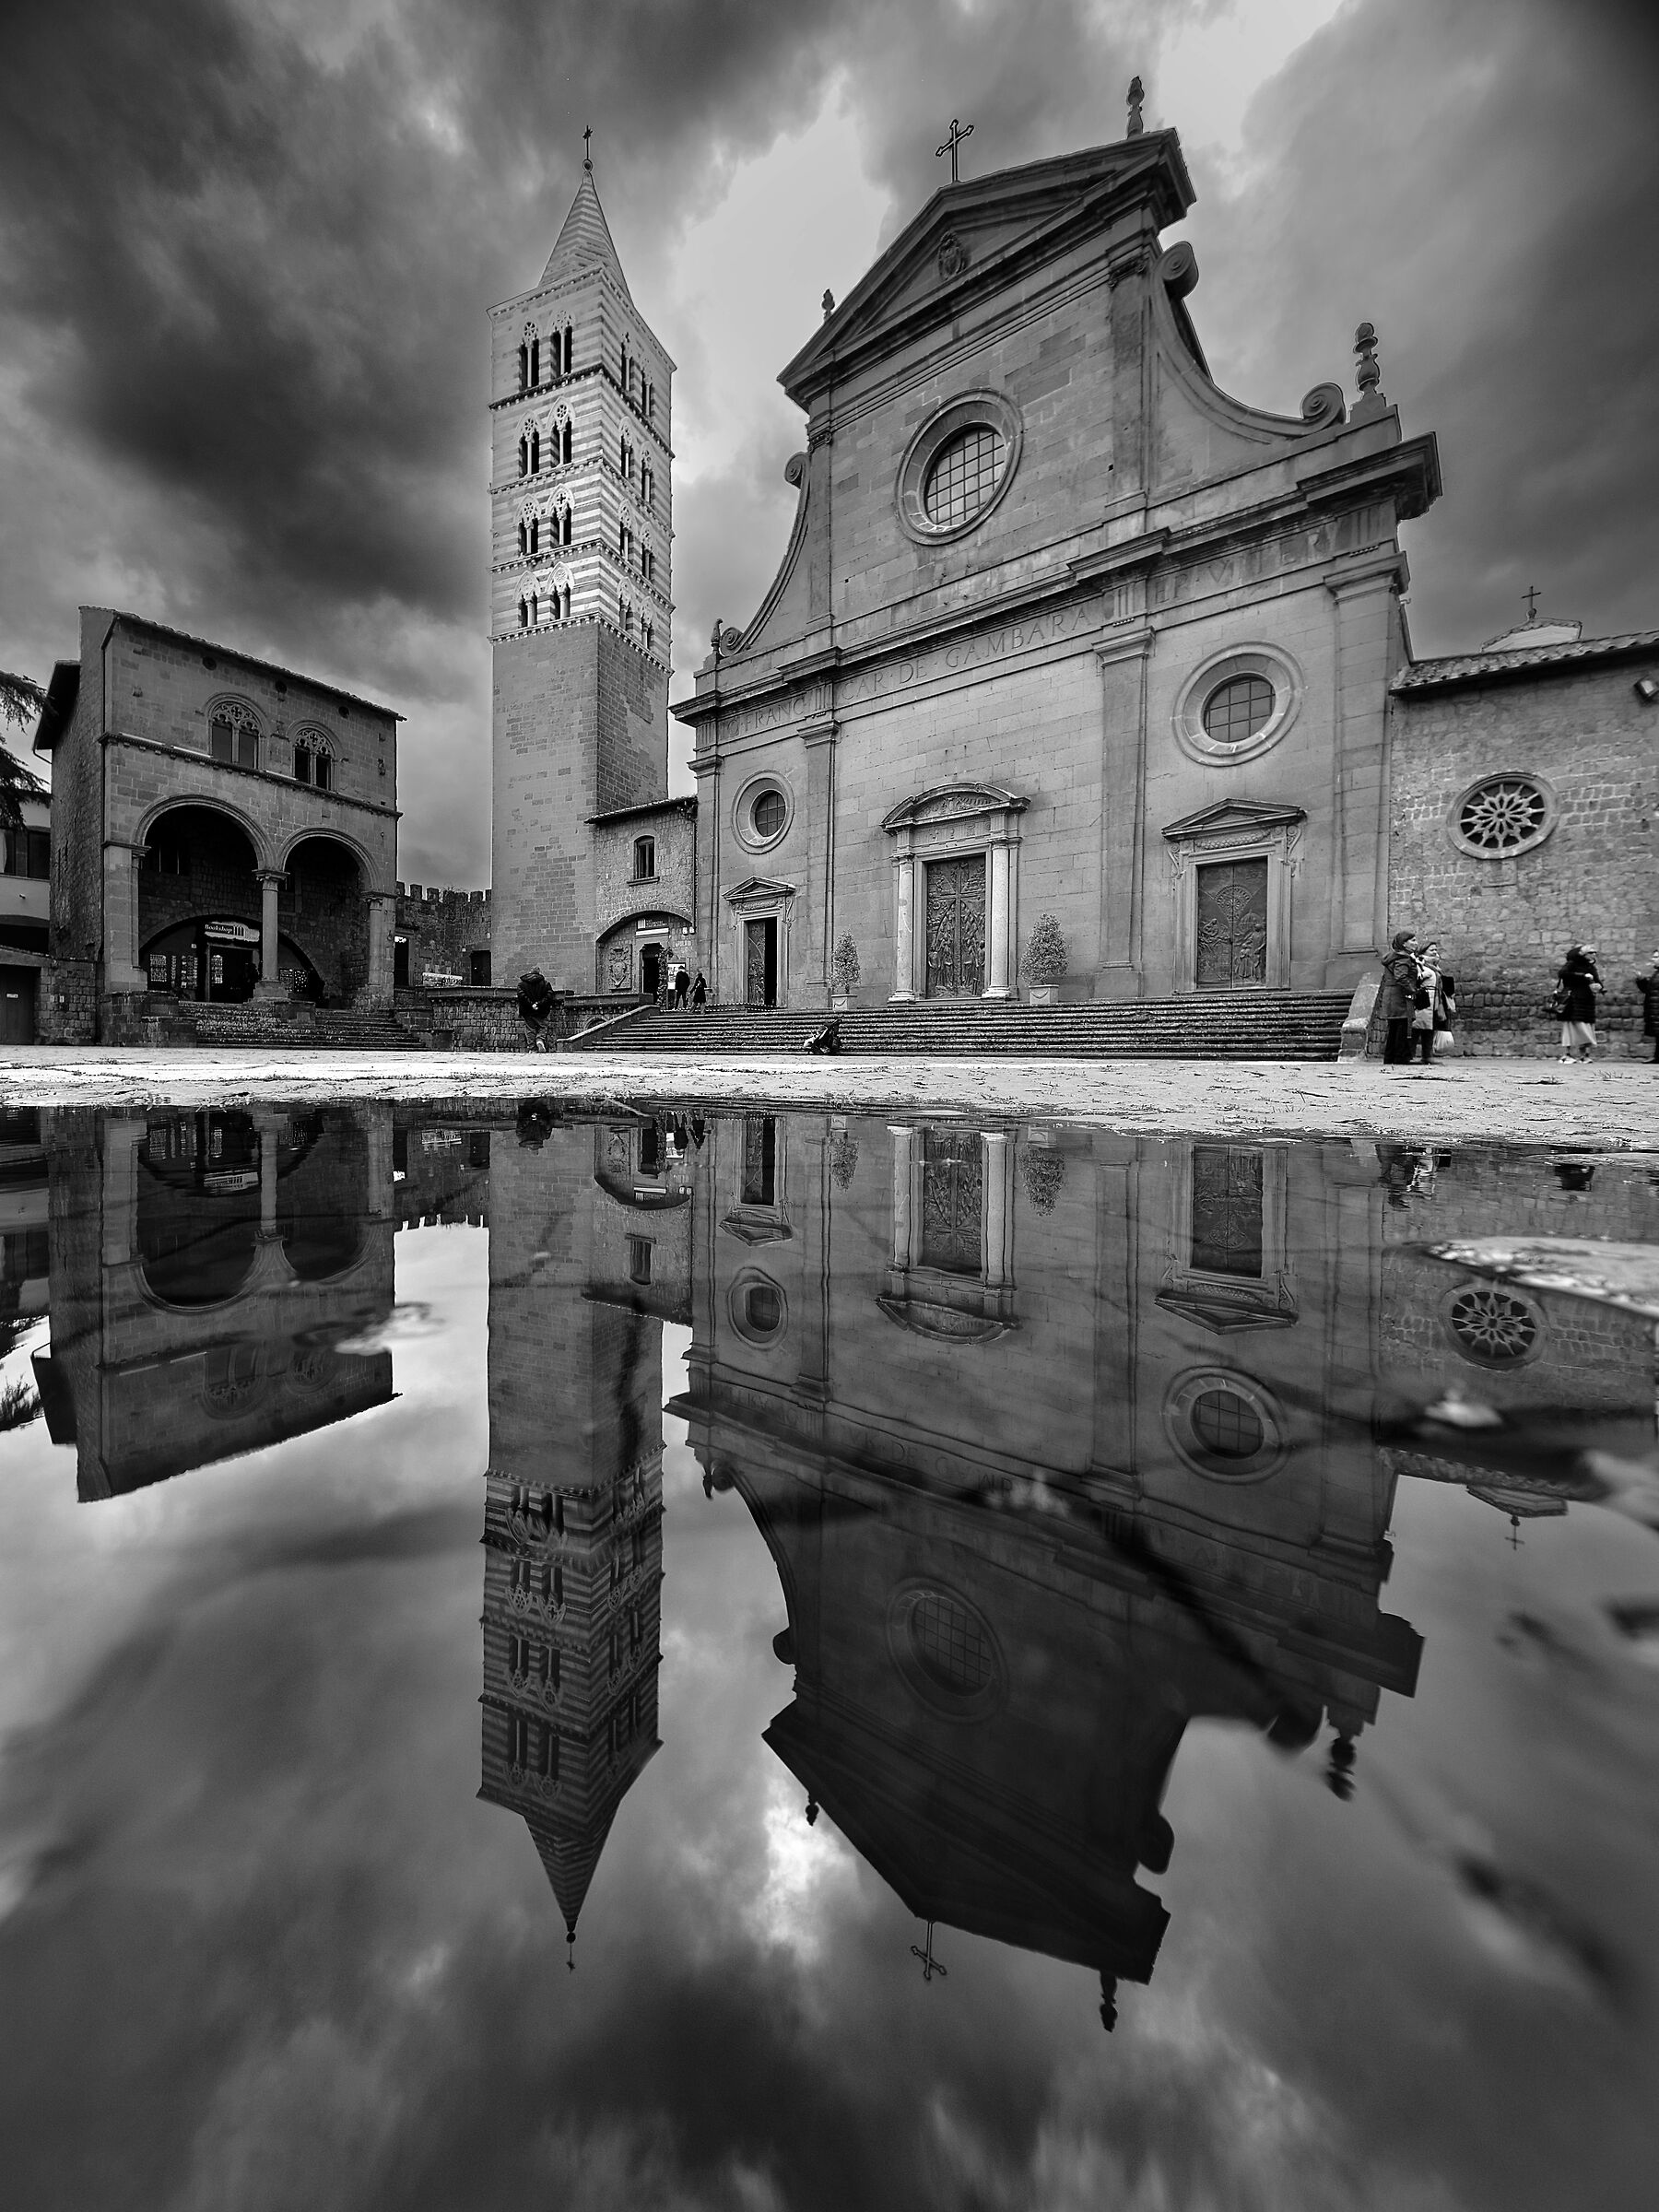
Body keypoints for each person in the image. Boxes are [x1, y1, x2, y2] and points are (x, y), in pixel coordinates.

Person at [1406, 938, 1457, 1067]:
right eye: (1432, 950)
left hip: (1435, 1002)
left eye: (1436, 949)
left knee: (1430, 1029)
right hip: (1423, 1001)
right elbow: (1415, 979)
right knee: (1417, 1028)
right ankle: (1409, 1055)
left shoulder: (1436, 967)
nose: (1435, 952)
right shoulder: (1420, 964)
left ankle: (1427, 1056)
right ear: (1424, 951)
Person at [1378, 930, 1421, 1065]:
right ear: (1404, 944)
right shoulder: (1403, 958)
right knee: (1401, 1026)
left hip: (1392, 995)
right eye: (1412, 940)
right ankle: (1400, 1057)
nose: (1416, 943)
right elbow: (1401, 977)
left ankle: (1391, 1057)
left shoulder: (1395, 957)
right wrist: (1413, 990)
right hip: (1399, 996)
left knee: (1395, 1026)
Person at [1554, 944, 1602, 1061]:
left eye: (1595, 952)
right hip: (1573, 999)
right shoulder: (1572, 964)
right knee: (1571, 1027)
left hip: (1587, 1000)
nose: (1593, 955)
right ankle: (1567, 1054)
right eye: (1591, 953)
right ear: (1583, 954)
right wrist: (1583, 976)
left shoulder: (1591, 966)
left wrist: (1599, 986)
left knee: (1586, 1026)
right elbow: (1563, 974)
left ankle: (1584, 1055)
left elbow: (1596, 980)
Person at [515, 967, 555, 1052]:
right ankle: (540, 1040)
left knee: (530, 1029)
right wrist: (539, 1003)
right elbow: (549, 995)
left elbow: (521, 996)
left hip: (527, 1010)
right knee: (542, 1027)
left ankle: (532, 1048)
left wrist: (531, 1004)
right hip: (542, 1010)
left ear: (530, 972)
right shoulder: (545, 983)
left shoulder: (521, 984)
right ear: (539, 973)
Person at [1634, 951, 1659, 1063]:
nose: (1653, 959)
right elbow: (1649, 990)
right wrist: (1641, 980)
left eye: (1656, 957)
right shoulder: (1656, 974)